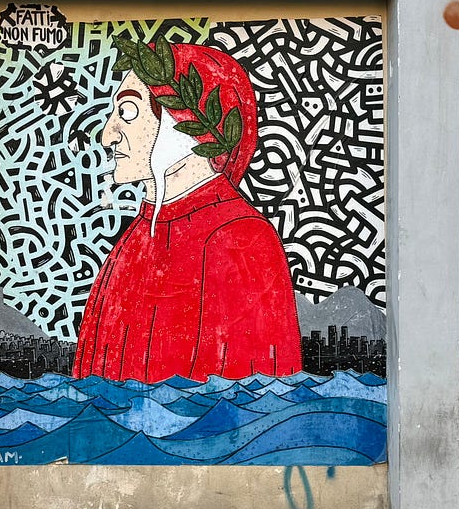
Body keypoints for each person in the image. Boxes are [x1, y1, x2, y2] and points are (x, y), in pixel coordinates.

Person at [73, 38, 302, 383]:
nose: (108, 136)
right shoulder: (137, 238)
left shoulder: (241, 239)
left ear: (183, 123)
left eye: (128, 112)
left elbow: (253, 399)